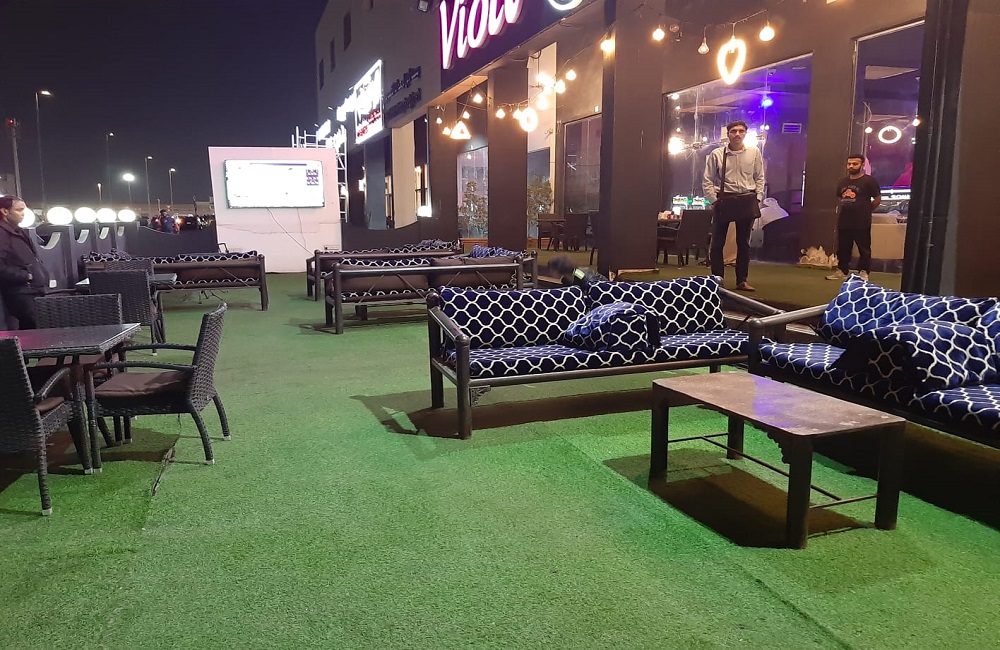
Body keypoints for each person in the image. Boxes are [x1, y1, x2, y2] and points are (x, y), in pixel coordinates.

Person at [703, 120, 765, 292]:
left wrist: (758, 198)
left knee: (743, 244)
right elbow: (707, 179)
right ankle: (717, 281)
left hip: (746, 199)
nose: (737, 134)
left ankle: (742, 281)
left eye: (741, 131)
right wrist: (714, 200)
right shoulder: (717, 154)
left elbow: (760, 177)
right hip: (724, 199)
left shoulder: (754, 152)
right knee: (717, 243)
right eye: (733, 131)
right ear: (728, 134)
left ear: (745, 133)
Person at [827, 155, 881, 282]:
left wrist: (866, 210)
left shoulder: (869, 181)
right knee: (843, 247)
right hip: (845, 219)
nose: (851, 166)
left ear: (862, 165)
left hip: (861, 220)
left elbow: (877, 199)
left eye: (855, 164)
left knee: (864, 247)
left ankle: (863, 272)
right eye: (849, 164)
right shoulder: (843, 182)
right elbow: (840, 197)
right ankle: (842, 270)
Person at [0, 195, 49, 329]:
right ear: (5, 211)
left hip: (32, 291)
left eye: (24, 210)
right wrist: (26, 276)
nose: (23, 214)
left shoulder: (17, 231)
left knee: (37, 330)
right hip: (21, 293)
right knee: (36, 331)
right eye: (19, 210)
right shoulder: (2, 234)